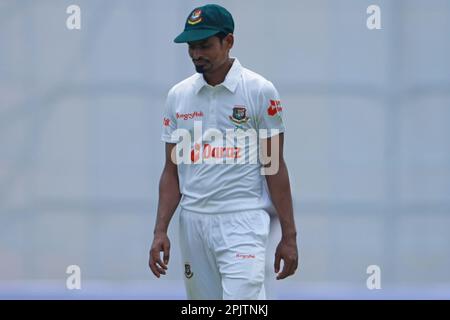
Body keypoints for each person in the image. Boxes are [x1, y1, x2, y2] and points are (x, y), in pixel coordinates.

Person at [148, 4, 298, 300]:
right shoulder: (178, 96)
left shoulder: (258, 90)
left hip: (242, 220)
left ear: (228, 41)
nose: (196, 54)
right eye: (192, 46)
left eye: (205, 46)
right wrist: (159, 231)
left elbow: (274, 166)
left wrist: (289, 236)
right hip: (192, 223)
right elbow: (171, 170)